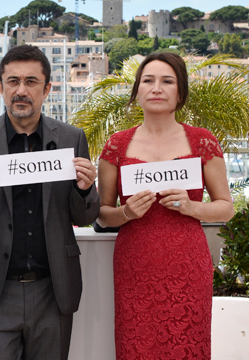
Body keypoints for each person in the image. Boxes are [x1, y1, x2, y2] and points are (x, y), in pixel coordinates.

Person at [0, 45, 100, 360]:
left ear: (47, 89)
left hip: (53, 289)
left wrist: (85, 189)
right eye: (13, 81)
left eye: (31, 82)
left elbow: (85, 216)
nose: (21, 91)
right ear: (0, 87)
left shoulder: (71, 139)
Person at [97, 52, 234, 359]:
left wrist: (191, 207)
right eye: (148, 80)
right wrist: (126, 212)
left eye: (167, 81)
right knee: (136, 347)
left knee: (188, 346)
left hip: (188, 265)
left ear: (180, 92)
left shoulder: (202, 141)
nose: (156, 88)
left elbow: (226, 207)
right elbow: (103, 214)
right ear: (137, 91)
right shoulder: (116, 145)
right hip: (135, 266)